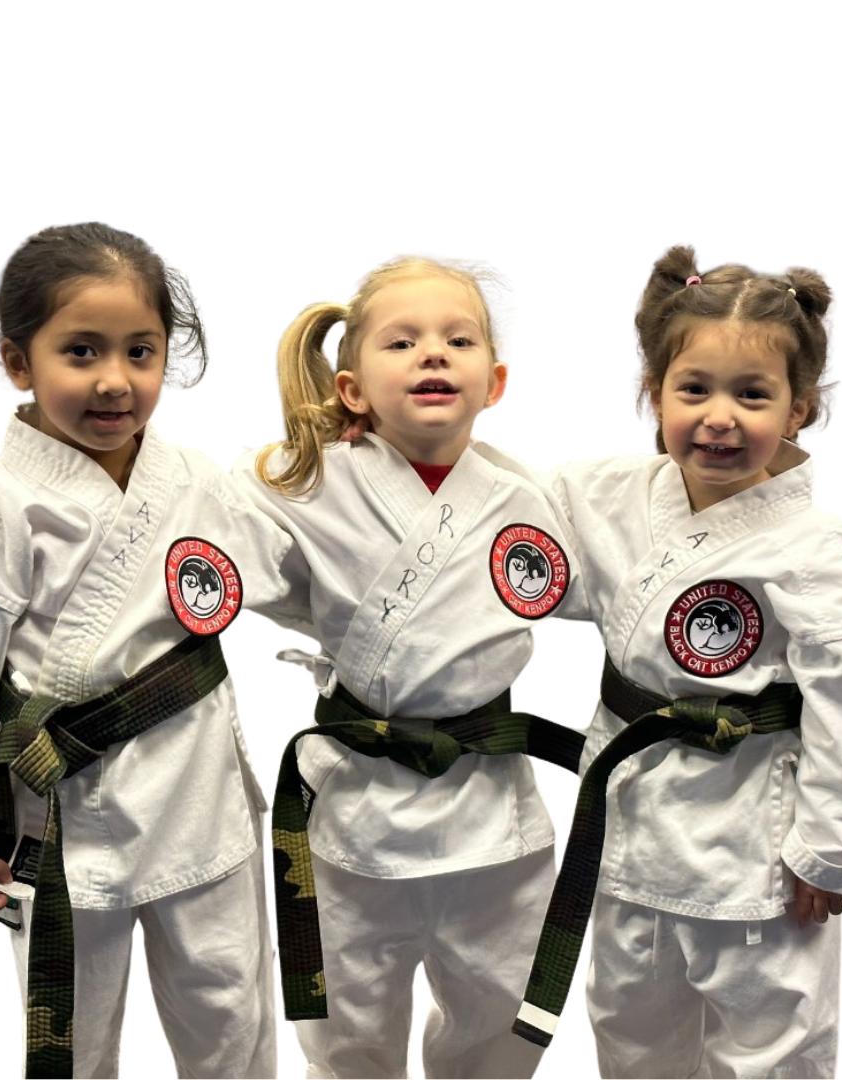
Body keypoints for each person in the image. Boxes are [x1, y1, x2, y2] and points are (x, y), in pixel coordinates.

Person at [0, 221, 310, 1078]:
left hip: (199, 797)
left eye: (139, 352)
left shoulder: (192, 477)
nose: (115, 382)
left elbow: (283, 578)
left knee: (232, 1014)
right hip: (66, 816)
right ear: (17, 364)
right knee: (70, 1034)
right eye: (81, 352)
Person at [231, 251, 586, 1080]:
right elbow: (223, 547)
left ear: (495, 380)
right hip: (356, 799)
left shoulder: (533, 495)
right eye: (402, 342)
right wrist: (299, 442)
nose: (432, 353)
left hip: (491, 806)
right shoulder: (300, 480)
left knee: (507, 1014)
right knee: (346, 1020)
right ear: (351, 387)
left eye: (457, 339)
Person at [544, 242, 842, 1079]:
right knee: (630, 1033)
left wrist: (833, 847)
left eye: (752, 394)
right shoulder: (611, 492)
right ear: (652, 397)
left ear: (797, 412)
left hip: (755, 845)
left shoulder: (812, 541)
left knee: (773, 1049)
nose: (720, 417)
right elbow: (497, 506)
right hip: (629, 830)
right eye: (694, 390)